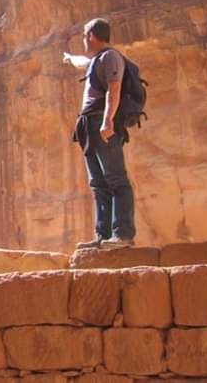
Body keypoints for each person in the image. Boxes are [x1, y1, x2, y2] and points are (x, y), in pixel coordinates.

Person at [63, 18, 136, 250]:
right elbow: (82, 62)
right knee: (98, 183)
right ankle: (102, 235)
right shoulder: (95, 61)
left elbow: (114, 87)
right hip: (87, 125)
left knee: (116, 179)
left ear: (91, 36)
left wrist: (108, 121)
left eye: (85, 37)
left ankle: (122, 235)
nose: (84, 41)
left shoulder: (110, 57)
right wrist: (69, 58)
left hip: (101, 123)